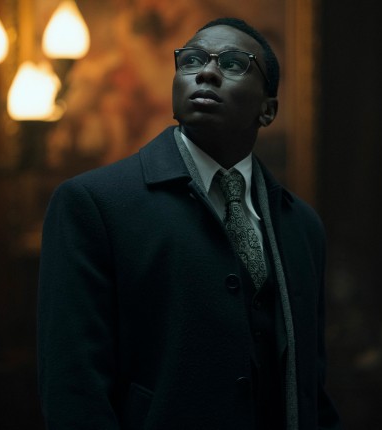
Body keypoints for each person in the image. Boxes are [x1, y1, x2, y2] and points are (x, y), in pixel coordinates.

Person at [37, 17, 343, 430]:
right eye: (192, 60)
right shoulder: (94, 204)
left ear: (268, 109)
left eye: (233, 63)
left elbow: (310, 387)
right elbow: (74, 387)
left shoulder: (301, 225)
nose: (207, 72)